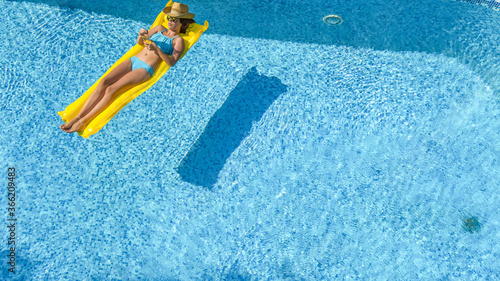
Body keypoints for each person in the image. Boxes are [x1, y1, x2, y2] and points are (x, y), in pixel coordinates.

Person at [60, 2, 196, 133]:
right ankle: (78, 117)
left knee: (111, 90)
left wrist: (157, 50)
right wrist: (141, 35)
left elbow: (172, 62)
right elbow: (140, 43)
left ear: (182, 23)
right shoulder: (160, 28)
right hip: (134, 60)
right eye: (169, 18)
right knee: (104, 82)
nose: (170, 21)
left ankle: (84, 121)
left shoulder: (178, 41)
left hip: (144, 69)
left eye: (174, 19)